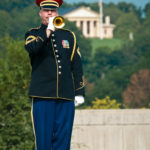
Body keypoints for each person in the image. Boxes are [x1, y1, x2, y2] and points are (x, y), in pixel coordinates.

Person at [24, 0, 85, 149]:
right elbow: (32, 49)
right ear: (40, 13)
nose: (49, 13)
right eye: (46, 10)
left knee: (63, 142)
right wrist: (47, 32)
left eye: (52, 10)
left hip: (66, 96)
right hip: (43, 96)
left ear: (57, 13)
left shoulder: (69, 36)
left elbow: (76, 66)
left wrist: (79, 91)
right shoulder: (33, 34)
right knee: (43, 142)